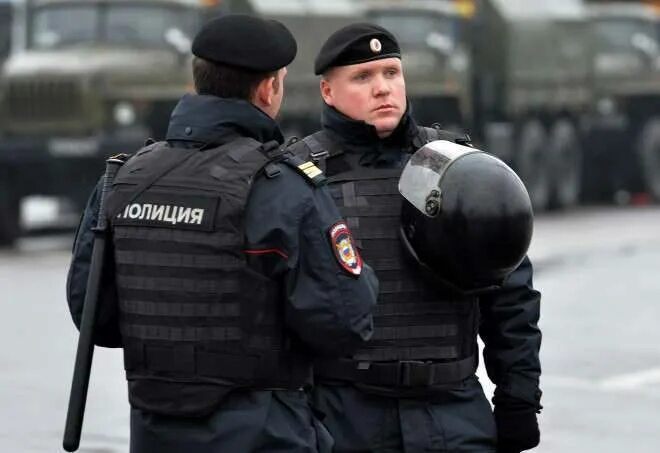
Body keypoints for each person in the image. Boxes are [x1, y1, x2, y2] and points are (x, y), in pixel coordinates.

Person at [66, 14, 379, 453]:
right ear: (269, 88)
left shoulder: (123, 179)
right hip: (266, 431)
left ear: (198, 83)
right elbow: (345, 320)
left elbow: (93, 315)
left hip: (155, 431)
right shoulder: (282, 185)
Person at [288, 23, 542, 452]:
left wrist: (519, 397)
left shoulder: (457, 167)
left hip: (452, 410)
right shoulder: (300, 178)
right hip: (345, 416)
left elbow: (509, 294)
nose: (382, 88)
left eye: (391, 73)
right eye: (363, 77)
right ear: (328, 92)